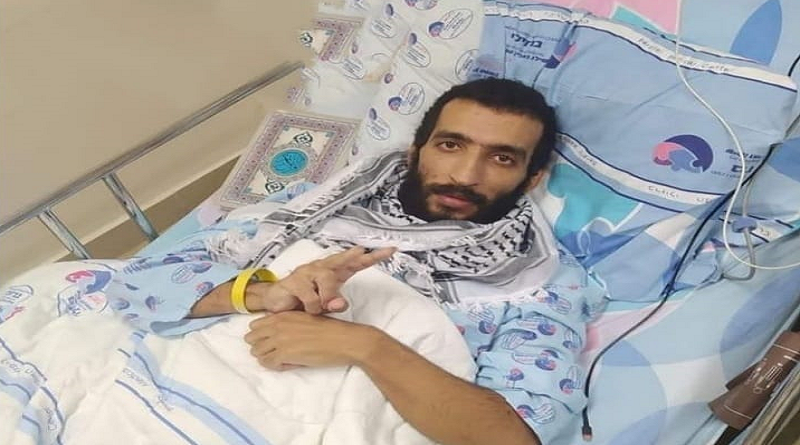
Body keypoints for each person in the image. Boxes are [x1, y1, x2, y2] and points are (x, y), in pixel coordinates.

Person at [106, 78, 583, 445]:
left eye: (502, 158)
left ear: (531, 179)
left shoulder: (537, 283)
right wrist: (266, 293)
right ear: (416, 151)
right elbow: (138, 284)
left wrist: (364, 346)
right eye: (450, 145)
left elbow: (515, 437)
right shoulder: (318, 206)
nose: (464, 174)